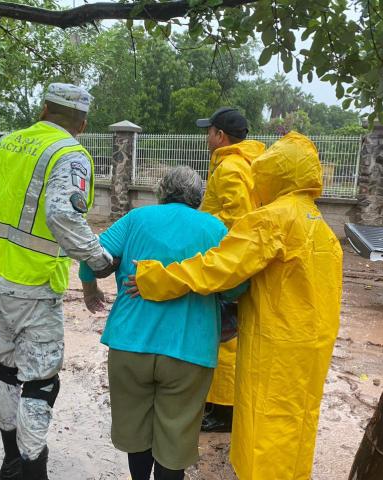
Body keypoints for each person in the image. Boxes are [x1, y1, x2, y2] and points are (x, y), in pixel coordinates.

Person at [127, 132, 343, 480]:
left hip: (276, 347)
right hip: (312, 348)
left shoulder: (274, 219)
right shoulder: (319, 225)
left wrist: (157, 278)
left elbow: (218, 268)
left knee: (265, 426)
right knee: (297, 424)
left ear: (274, 173)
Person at [0, 83, 118, 480]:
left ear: (44, 108)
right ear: (82, 124)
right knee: (40, 383)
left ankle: (11, 460)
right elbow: (63, 216)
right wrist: (99, 261)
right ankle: (33, 471)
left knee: (9, 370)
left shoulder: (8, 141)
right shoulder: (70, 154)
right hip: (33, 281)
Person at [79, 167, 247, 480]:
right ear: (199, 197)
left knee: (136, 432)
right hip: (190, 352)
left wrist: (90, 290)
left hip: (129, 344)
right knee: (176, 437)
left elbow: (92, 255)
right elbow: (236, 288)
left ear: (161, 192)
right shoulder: (215, 228)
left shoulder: (136, 219)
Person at [197, 107, 265, 432]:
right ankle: (222, 404)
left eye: (208, 131)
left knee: (224, 338)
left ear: (220, 135)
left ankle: (224, 412)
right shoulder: (246, 164)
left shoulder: (230, 168)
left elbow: (239, 219)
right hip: (236, 260)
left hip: (229, 262)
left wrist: (204, 227)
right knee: (228, 335)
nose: (206, 137)